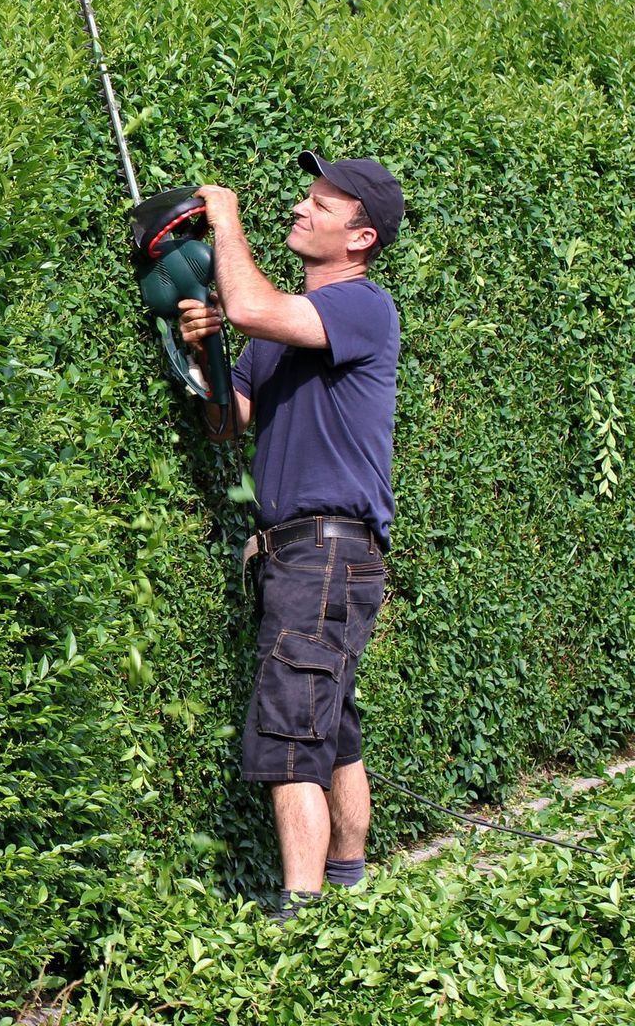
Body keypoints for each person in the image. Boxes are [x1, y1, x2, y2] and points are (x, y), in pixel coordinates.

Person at [177, 150, 404, 920]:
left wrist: (225, 221)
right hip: (302, 555)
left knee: (289, 726)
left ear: (362, 238)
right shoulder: (280, 332)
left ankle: (299, 916)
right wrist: (201, 350)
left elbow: (250, 306)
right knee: (329, 722)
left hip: (328, 550)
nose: (301, 210)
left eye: (322, 206)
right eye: (305, 198)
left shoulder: (363, 308)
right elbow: (225, 425)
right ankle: (348, 889)